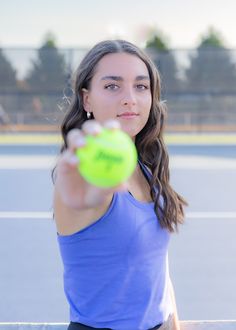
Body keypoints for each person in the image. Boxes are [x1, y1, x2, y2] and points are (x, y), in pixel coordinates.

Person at [53, 39, 187, 330]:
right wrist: (83, 192)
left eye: (141, 86)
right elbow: (81, 198)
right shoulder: (85, 179)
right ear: (86, 99)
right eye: (113, 86)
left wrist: (173, 323)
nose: (130, 98)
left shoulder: (145, 167)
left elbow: (157, 269)